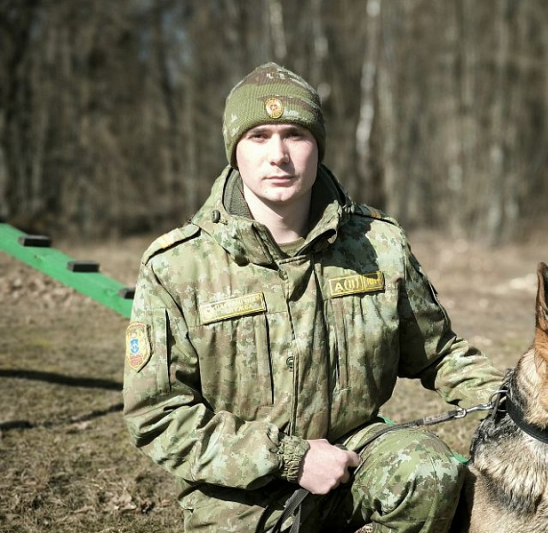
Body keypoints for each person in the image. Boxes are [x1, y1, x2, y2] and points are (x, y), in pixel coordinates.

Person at [122, 62, 503, 533]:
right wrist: (290, 458)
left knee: (429, 473)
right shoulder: (176, 266)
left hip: (357, 454)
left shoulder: (377, 244)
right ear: (234, 151)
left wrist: (521, 401)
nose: (278, 155)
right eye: (258, 136)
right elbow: (157, 413)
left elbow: (438, 353)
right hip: (241, 491)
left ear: (318, 147)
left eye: (295, 135)